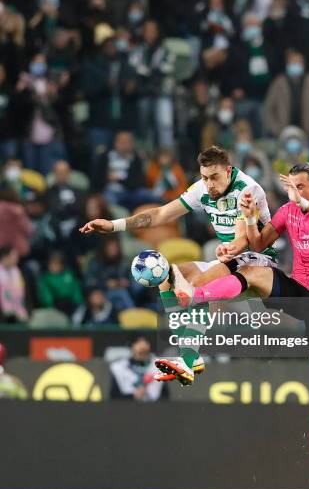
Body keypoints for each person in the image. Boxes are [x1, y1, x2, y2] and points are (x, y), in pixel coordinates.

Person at [169, 162, 309, 487]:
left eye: (301, 186)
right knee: (255, 270)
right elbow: (257, 244)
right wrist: (250, 217)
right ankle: (196, 295)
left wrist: (304, 202)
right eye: (290, 187)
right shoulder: (287, 212)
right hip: (299, 291)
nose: (294, 192)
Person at [80, 145, 279, 377]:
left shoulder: (247, 190)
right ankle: (190, 354)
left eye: (215, 177)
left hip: (258, 262)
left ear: (228, 171)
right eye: (205, 178)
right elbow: (161, 214)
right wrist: (114, 225)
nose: (210, 184)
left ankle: (186, 360)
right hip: (229, 260)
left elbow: (243, 238)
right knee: (168, 274)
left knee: (198, 285)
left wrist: (229, 248)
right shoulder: (202, 189)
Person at [110, 336, 164, 400]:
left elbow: (166, 398)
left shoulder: (158, 368)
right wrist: (132, 396)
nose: (142, 347)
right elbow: (113, 398)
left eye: (145, 344)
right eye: (138, 344)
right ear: (131, 347)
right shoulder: (119, 368)